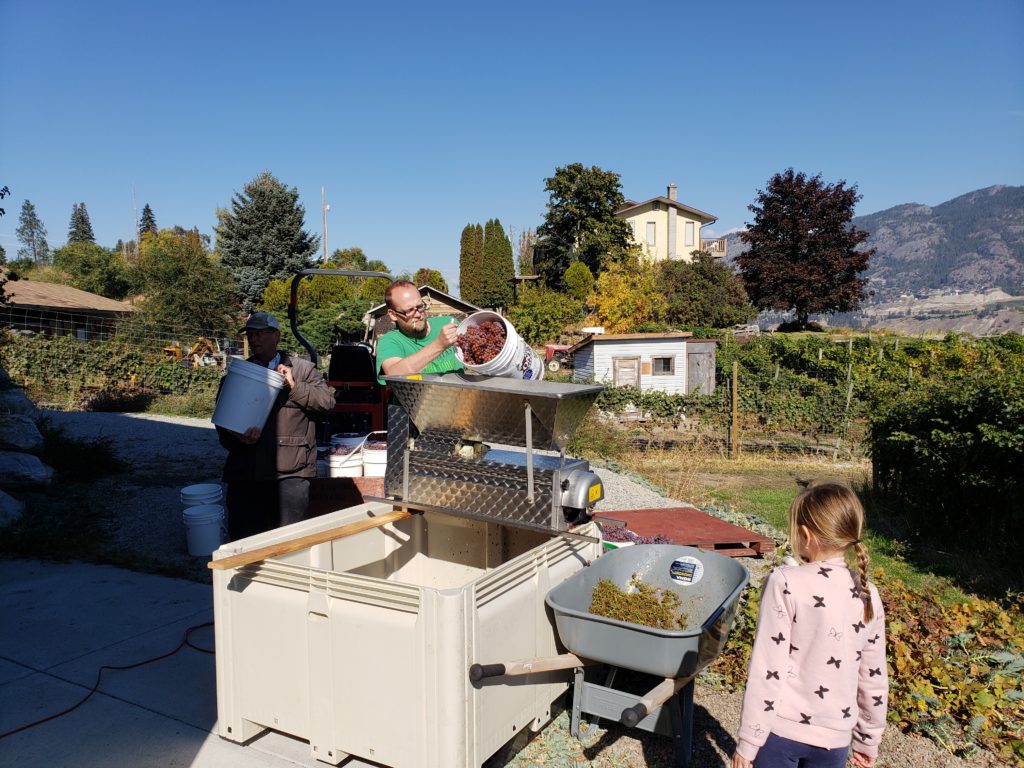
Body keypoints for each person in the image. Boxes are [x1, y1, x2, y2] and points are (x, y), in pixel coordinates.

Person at [731, 483, 888, 768]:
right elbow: (873, 677)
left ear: (805, 535)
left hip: (779, 733)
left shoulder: (786, 582)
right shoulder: (868, 594)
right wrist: (867, 740)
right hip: (836, 740)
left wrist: (748, 742)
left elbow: (768, 668)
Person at [216, 312, 334, 540]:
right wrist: (236, 437)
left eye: (260, 333)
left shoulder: (303, 370)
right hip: (245, 474)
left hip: (290, 473)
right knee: (245, 542)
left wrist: (295, 386)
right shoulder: (239, 374)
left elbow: (327, 403)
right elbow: (222, 425)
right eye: (251, 334)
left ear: (276, 335)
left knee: (289, 542)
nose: (254, 339)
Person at [375, 280, 463, 382]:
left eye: (420, 307)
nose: (417, 314)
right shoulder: (390, 341)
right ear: (393, 314)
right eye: (409, 311)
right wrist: (439, 345)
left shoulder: (449, 323)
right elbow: (393, 373)